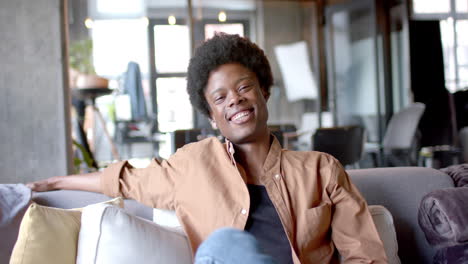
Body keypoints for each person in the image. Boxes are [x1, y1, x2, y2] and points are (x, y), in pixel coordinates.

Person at [28, 33, 387, 264]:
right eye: (221, 97)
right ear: (213, 117)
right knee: (227, 245)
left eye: (245, 87)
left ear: (264, 92)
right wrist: (57, 184)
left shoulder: (322, 169)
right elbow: (125, 180)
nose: (235, 100)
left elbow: (365, 254)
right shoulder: (192, 165)